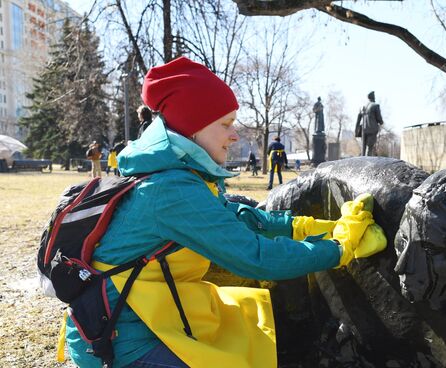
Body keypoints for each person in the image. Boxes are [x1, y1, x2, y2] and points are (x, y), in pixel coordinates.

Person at [62, 56, 386, 368]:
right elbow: (254, 257)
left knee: (250, 329)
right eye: (226, 124)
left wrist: (316, 226)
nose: (234, 135)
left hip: (151, 319)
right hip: (120, 341)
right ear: (194, 128)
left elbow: (243, 219)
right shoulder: (171, 190)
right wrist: (340, 249)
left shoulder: (182, 176)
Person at [356, 91, 383, 156]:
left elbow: (358, 120)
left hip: (363, 130)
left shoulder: (362, 107)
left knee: (363, 148)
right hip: (372, 130)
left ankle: (362, 162)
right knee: (369, 148)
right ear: (373, 97)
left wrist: (356, 131)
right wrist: (381, 122)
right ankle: (368, 162)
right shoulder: (375, 106)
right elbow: (379, 119)